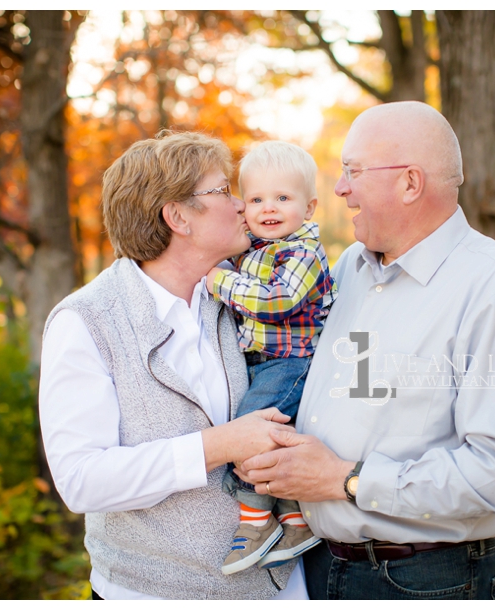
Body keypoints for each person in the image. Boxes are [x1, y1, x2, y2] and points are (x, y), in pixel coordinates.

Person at [236, 101, 495, 600]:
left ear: (409, 182)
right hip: (313, 568)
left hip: (419, 581)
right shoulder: (345, 273)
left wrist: (346, 480)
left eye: (352, 170)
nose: (339, 188)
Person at [38, 132, 308, 600]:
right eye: (223, 191)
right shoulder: (86, 321)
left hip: (281, 586)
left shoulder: (244, 295)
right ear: (178, 216)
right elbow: (82, 480)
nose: (243, 204)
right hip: (155, 593)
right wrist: (217, 445)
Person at [204, 142, 336, 575]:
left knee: (250, 431)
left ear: (310, 206)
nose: (269, 208)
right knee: (275, 439)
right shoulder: (256, 250)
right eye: (257, 199)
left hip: (292, 363)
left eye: (283, 198)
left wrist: (219, 281)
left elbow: (278, 300)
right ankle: (296, 522)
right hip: (263, 361)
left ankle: (255, 522)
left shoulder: (302, 252)